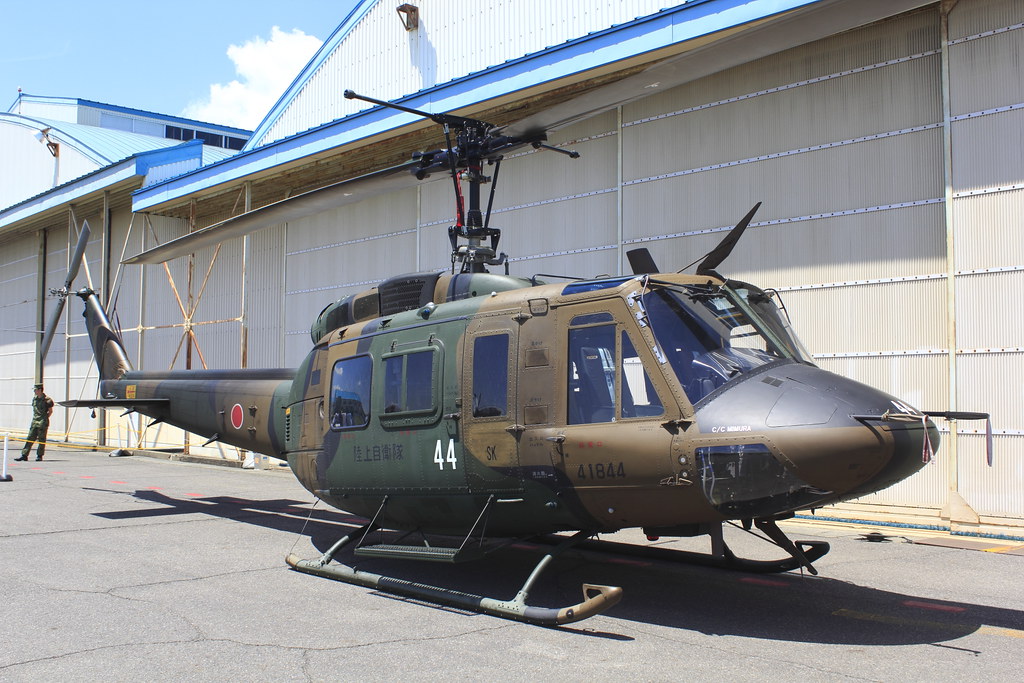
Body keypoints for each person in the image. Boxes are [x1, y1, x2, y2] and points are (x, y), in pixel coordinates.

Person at [16, 384, 54, 461]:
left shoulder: (47, 400)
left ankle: (39, 455)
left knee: (41, 440)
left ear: (40, 390)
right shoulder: (35, 399)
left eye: (35, 390)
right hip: (34, 421)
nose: (34, 391)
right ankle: (24, 455)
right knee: (30, 438)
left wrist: (44, 419)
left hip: (42, 422)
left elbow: (50, 411)